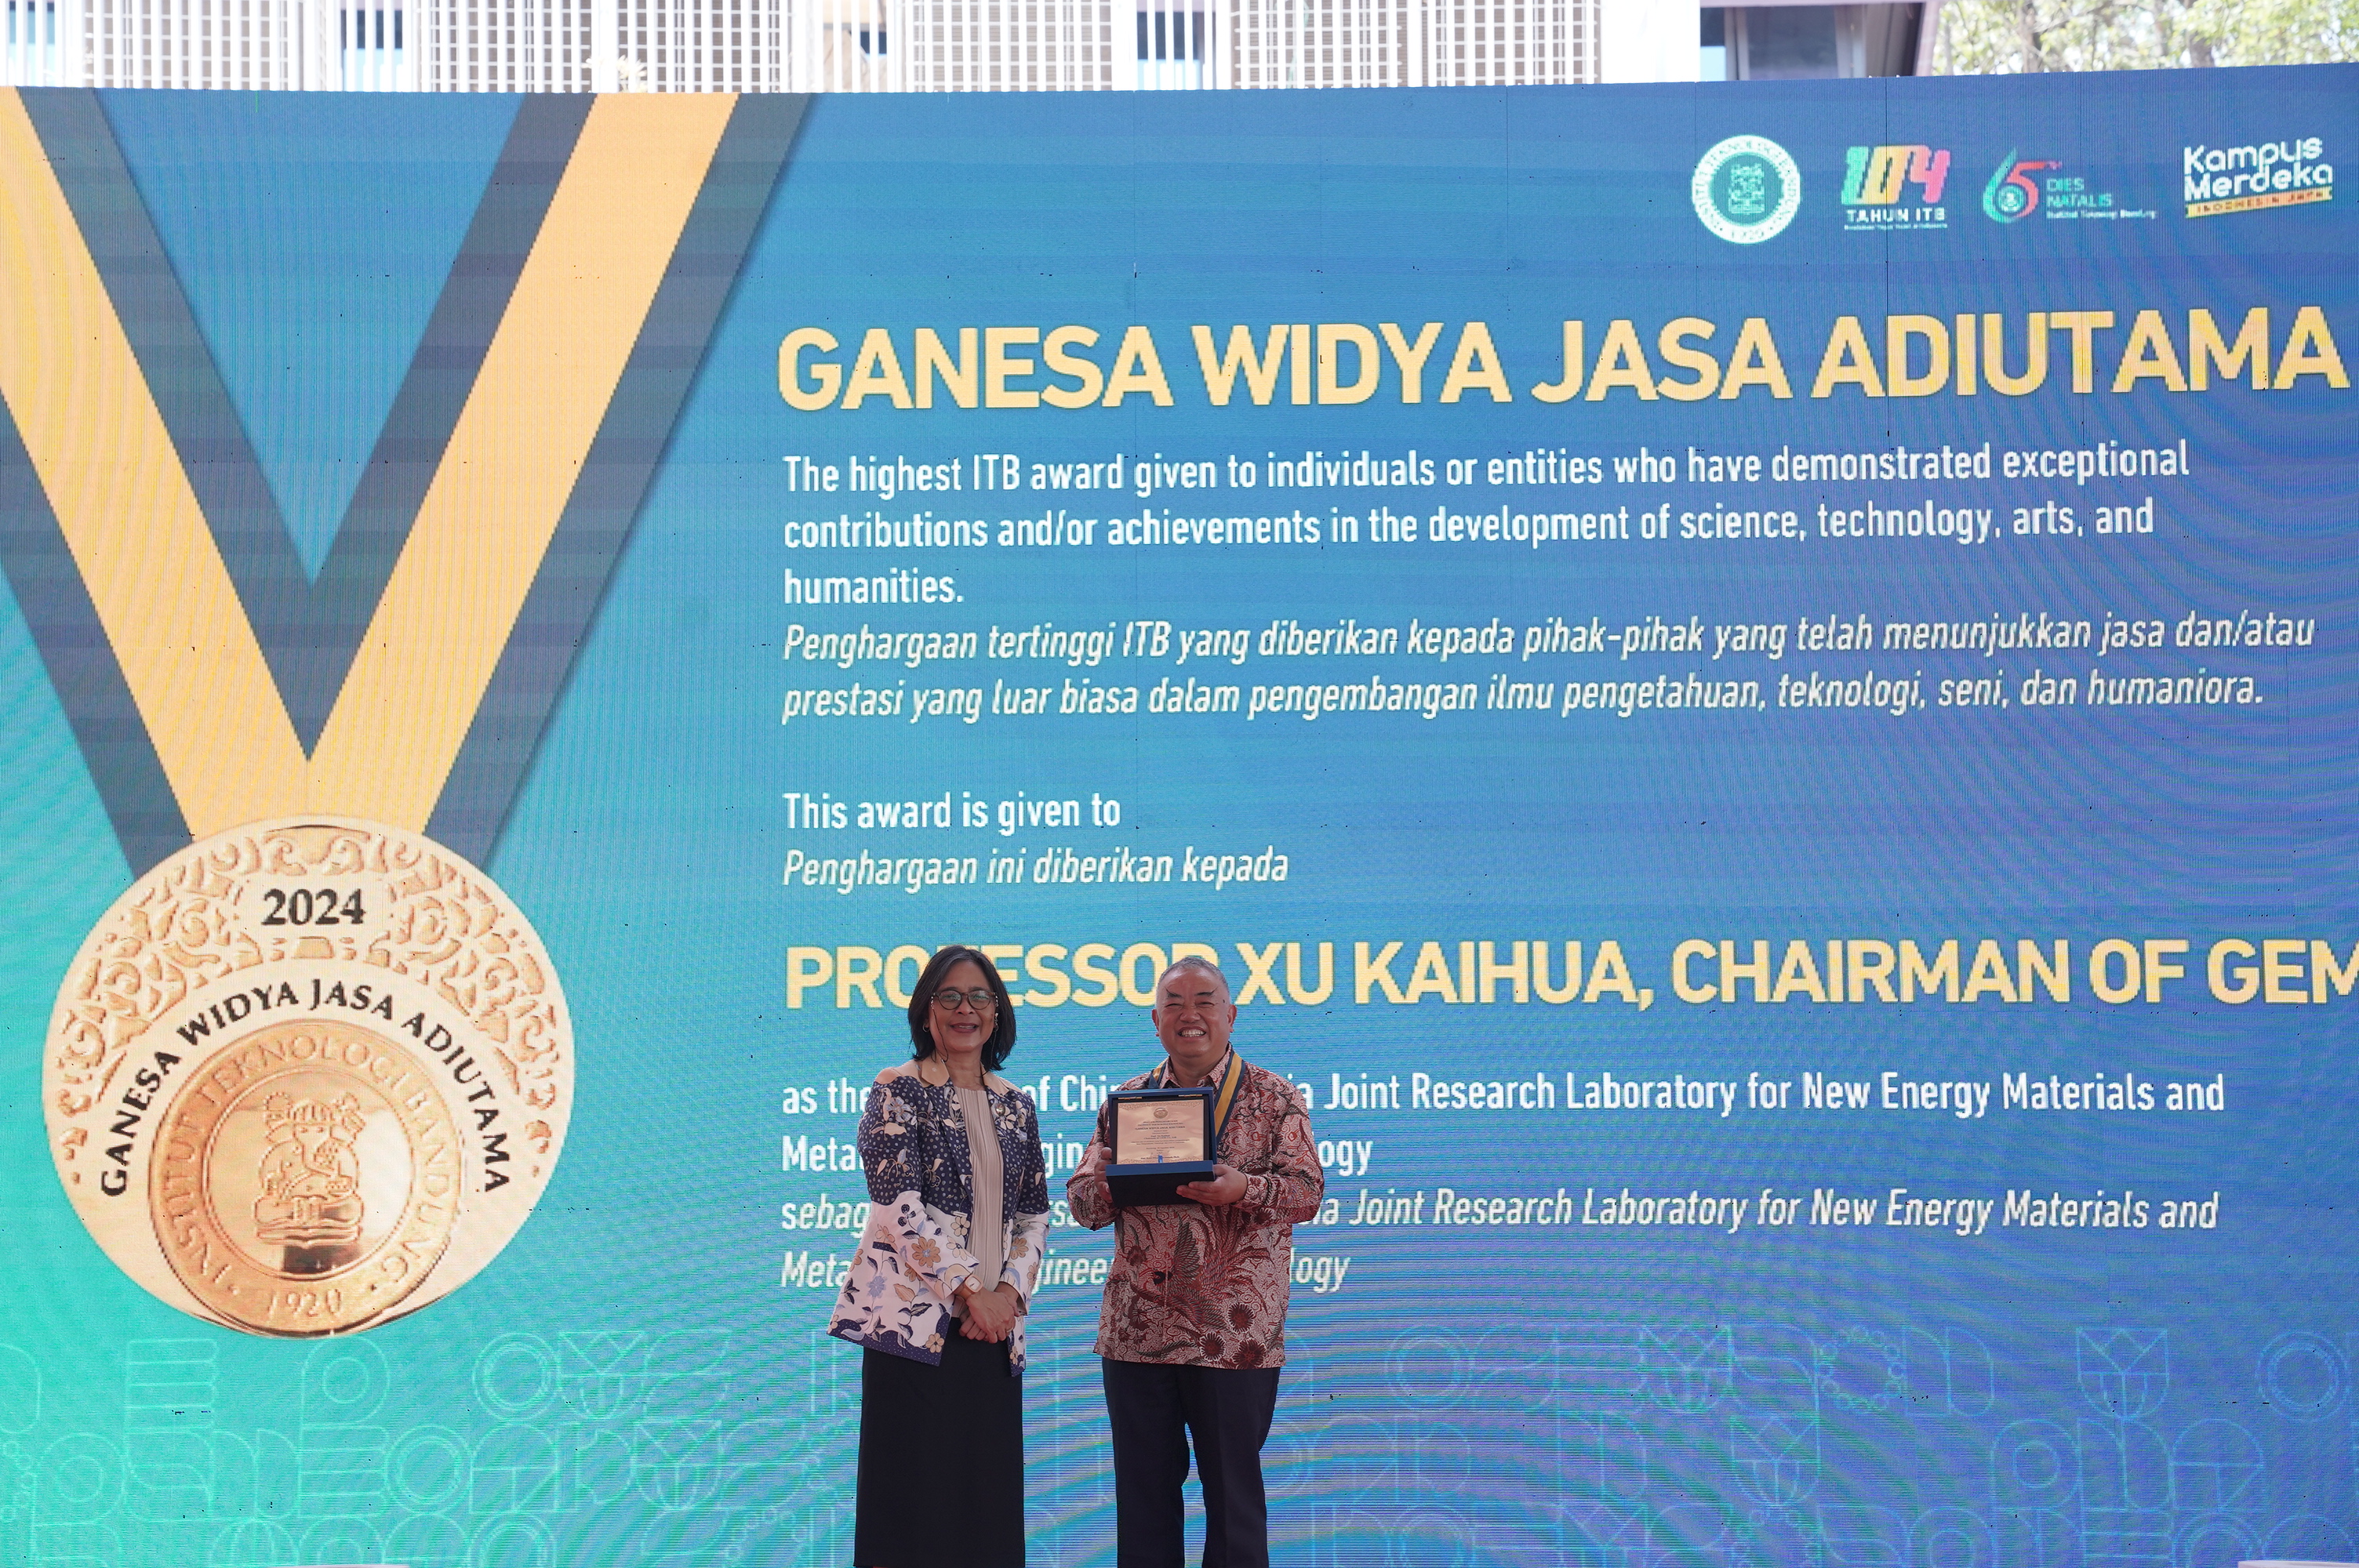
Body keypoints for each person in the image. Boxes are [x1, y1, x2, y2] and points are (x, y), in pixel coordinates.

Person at [1068, 956, 1322, 1568]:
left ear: (1229, 1015)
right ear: (1156, 1020)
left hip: (1231, 1336)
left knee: (1235, 1506)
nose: (1191, 1015)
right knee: (1143, 1506)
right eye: (1175, 1004)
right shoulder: (1128, 1102)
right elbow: (1083, 1207)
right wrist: (1100, 1181)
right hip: (1138, 1334)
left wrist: (1245, 1189)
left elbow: (1307, 1193)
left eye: (1205, 1001)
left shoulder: (1274, 1098)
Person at [831, 946, 1049, 1568]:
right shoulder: (897, 1088)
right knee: (910, 1512)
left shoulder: (1016, 1104)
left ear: (997, 1012)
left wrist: (1007, 1294)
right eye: (949, 996)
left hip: (992, 1333)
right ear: (927, 1012)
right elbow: (897, 1207)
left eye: (979, 997)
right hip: (916, 1331)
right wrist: (971, 1293)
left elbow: (1034, 1213)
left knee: (985, 1507)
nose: (965, 1009)